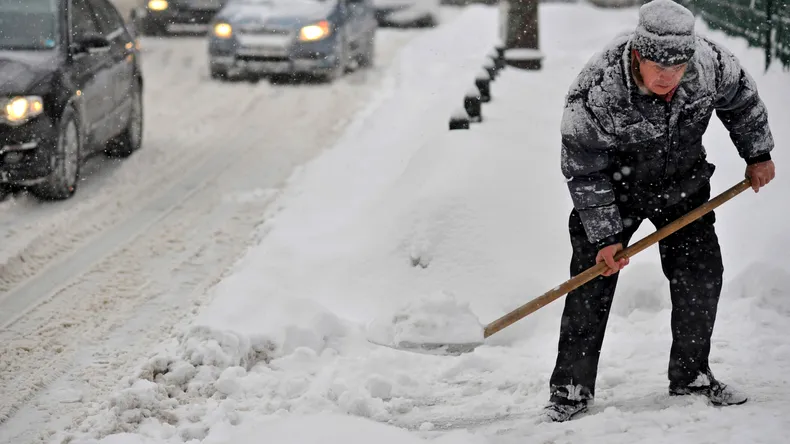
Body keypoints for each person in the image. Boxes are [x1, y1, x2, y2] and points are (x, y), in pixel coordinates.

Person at [544, 0, 776, 423]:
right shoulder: (599, 89)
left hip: (682, 186)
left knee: (701, 273)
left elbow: (742, 101)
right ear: (638, 54)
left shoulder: (709, 63)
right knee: (591, 281)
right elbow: (582, 167)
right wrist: (605, 236)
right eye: (659, 68)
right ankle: (571, 388)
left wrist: (758, 153)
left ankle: (692, 375)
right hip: (613, 189)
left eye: (678, 67)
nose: (669, 77)